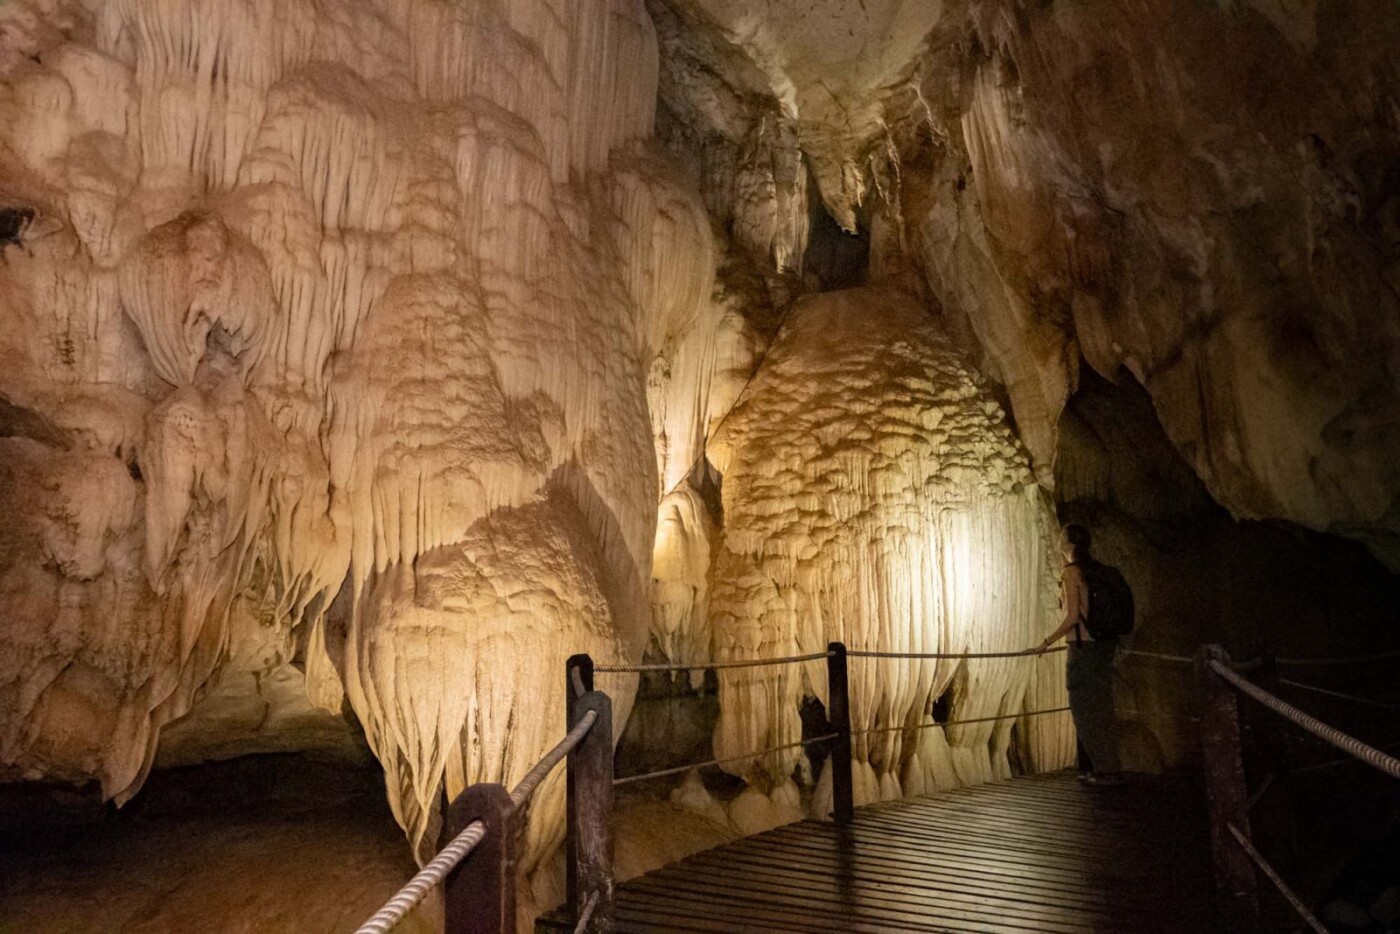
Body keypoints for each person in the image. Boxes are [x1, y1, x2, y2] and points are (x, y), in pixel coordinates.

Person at [1035, 524, 1124, 786]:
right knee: (1103, 706)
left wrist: (1046, 642)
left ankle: (1104, 770)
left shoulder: (1071, 573)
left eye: (1061, 536)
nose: (1058, 539)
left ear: (1070, 544)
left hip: (1083, 647)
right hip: (1104, 645)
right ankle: (1109, 768)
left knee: (1083, 708)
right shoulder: (1094, 570)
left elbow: (1072, 617)